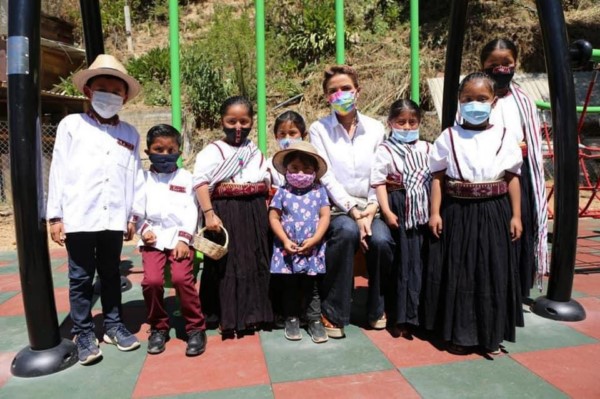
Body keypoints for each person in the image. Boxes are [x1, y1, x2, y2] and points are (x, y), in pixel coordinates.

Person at [46, 54, 142, 365]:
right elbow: (58, 170)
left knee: (111, 273)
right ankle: (85, 331)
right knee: (80, 276)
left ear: (124, 96)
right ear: (88, 91)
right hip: (80, 214)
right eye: (102, 88)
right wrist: (56, 216)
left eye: (116, 91)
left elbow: (135, 175)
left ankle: (114, 325)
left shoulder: (129, 133)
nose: (109, 96)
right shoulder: (72, 125)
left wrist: (132, 215)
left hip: (114, 216)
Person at [424, 72, 524, 355]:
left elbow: (513, 177)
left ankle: (491, 335)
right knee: (461, 271)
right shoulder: (448, 136)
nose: (475, 104)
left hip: (494, 210)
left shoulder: (505, 136)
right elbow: (437, 177)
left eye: (482, 99)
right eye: (468, 99)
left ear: (493, 102)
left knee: (492, 269)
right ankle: (460, 334)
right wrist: (435, 212)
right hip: (458, 210)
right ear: (459, 101)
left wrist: (516, 215)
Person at [309, 65, 394, 338]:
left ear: (357, 91)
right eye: (333, 91)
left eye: (346, 88)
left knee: (381, 241)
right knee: (345, 232)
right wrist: (353, 210)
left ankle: (377, 307)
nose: (340, 94)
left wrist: (371, 207)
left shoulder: (376, 128)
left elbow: (380, 172)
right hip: (337, 207)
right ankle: (333, 311)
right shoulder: (319, 129)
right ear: (326, 97)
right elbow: (326, 175)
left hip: (372, 205)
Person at [193, 96, 272, 336]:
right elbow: (201, 183)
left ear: (251, 122)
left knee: (254, 259)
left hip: (254, 210)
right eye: (231, 121)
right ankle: (222, 313)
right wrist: (209, 214)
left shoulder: (254, 151)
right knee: (224, 264)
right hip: (225, 212)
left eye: (244, 121)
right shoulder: (212, 151)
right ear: (222, 121)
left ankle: (254, 314)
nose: (238, 127)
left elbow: (265, 179)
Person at [480, 38, 548, 296]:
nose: (501, 69)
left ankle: (518, 288)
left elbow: (531, 138)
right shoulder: (477, 98)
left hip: (521, 171)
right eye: (493, 64)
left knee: (520, 227)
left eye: (506, 63)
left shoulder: (523, 100)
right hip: (489, 174)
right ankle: (493, 286)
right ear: (483, 65)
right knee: (495, 230)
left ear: (515, 64)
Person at [131, 124, 207, 356]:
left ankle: (195, 328)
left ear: (179, 152)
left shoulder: (186, 178)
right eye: (158, 149)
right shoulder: (141, 179)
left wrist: (184, 240)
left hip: (180, 239)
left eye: (170, 149)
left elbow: (191, 211)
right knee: (152, 282)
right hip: (152, 240)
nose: (164, 154)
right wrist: (143, 230)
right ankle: (158, 327)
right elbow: (136, 211)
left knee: (182, 279)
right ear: (148, 152)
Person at [370, 99, 431, 338]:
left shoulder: (427, 148)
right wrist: (386, 211)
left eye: (412, 122)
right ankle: (400, 316)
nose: (406, 127)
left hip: (422, 209)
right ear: (390, 123)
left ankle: (421, 315)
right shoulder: (385, 150)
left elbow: (435, 178)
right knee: (402, 262)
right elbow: (379, 182)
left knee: (421, 260)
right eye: (401, 122)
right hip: (398, 206)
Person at [269, 141, 331, 343]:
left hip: (312, 249)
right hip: (287, 249)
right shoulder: (282, 192)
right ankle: (292, 318)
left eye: (307, 169)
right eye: (295, 168)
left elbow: (325, 216)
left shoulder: (319, 191)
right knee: (290, 285)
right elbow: (274, 217)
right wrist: (285, 240)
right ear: (286, 170)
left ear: (315, 171)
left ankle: (314, 320)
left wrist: (315, 239)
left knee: (311, 285)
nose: (301, 173)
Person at [266, 110, 308, 189]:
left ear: (304, 135)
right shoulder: (270, 165)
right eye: (282, 134)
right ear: (276, 136)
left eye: (292, 133)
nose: (287, 138)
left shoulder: (310, 161)